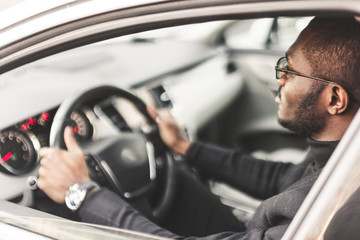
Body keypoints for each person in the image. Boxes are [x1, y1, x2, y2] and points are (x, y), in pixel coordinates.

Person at [37, 16, 360, 239]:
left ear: (335, 100)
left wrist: (81, 192)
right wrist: (185, 147)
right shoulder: (343, 156)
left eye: (289, 69)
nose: (280, 79)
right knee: (174, 177)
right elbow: (281, 178)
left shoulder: (325, 210)